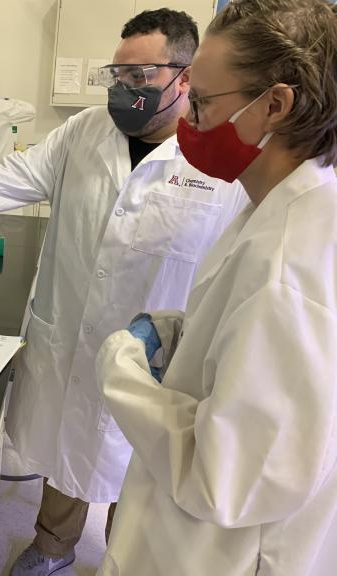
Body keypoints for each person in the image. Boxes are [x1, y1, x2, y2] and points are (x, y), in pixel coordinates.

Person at [0, 9, 248, 575]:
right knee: (66, 458)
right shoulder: (85, 130)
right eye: (119, 74)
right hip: (69, 338)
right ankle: (52, 548)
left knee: (142, 482)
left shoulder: (217, 157)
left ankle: (126, 562)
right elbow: (18, 174)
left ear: (184, 78)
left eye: (142, 77)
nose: (125, 89)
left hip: (156, 361)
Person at [95, 0, 337, 574]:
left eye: (201, 103)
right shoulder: (286, 205)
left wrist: (120, 369)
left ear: (274, 105)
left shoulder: (287, 266)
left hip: (218, 553)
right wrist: (185, 333)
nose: (188, 123)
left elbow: (226, 477)